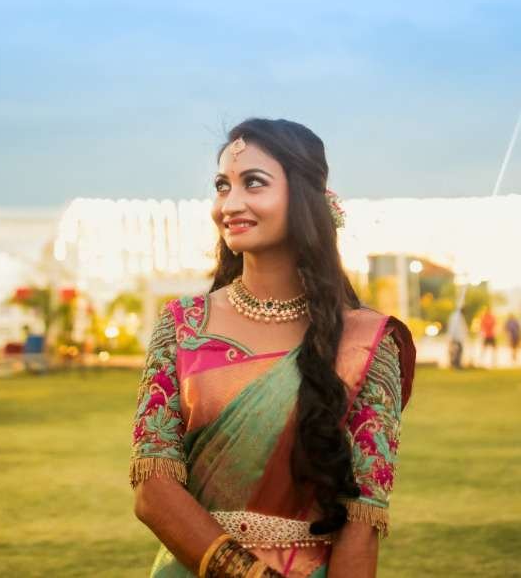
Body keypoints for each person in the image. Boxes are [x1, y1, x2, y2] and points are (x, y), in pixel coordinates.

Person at [131, 119, 417, 578]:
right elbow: (153, 490)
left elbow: (361, 521)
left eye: (254, 183)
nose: (230, 204)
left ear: (304, 198)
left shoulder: (366, 342)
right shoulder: (182, 326)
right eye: (222, 186)